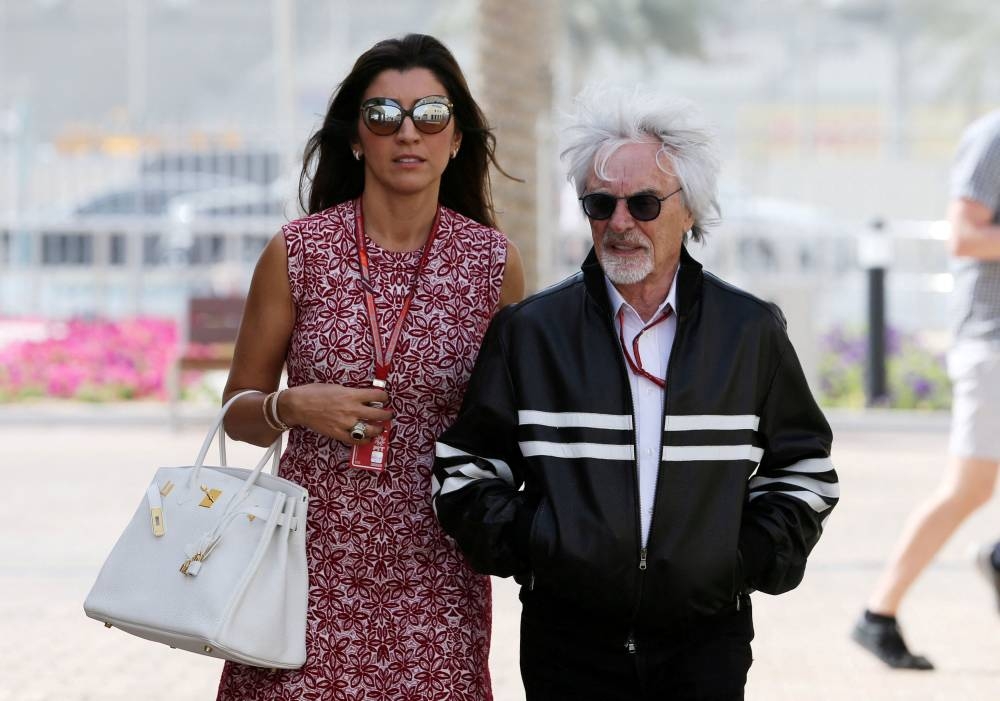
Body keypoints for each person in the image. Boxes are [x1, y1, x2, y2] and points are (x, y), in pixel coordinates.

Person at [432, 85, 839, 701]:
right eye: (601, 203)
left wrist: (737, 560)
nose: (620, 223)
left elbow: (806, 470)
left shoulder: (748, 331)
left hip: (705, 644)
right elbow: (465, 469)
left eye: (644, 203)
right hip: (566, 644)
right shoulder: (531, 333)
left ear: (689, 210)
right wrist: (543, 548)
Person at [215, 33, 524, 700]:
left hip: (438, 573)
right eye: (383, 115)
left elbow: (513, 427)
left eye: (430, 115)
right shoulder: (298, 252)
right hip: (303, 568)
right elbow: (237, 413)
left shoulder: (493, 264)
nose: (407, 132)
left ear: (457, 138)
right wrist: (291, 406)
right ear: (357, 138)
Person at [852, 109, 1000, 670]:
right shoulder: (994, 137)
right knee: (967, 488)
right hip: (992, 341)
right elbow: (963, 235)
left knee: (972, 487)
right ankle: (878, 614)